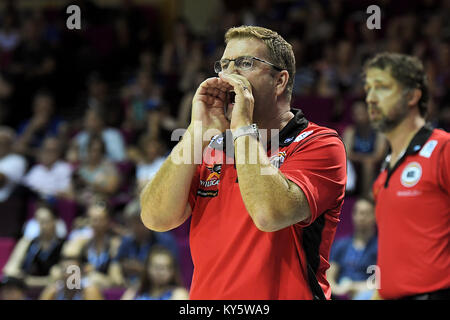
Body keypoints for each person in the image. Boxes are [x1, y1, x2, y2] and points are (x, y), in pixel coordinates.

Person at [140, 26, 347, 299]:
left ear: (279, 81)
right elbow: (155, 217)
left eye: (245, 63)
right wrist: (196, 131)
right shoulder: (210, 147)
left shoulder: (320, 143)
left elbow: (268, 214)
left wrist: (243, 129)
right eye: (224, 65)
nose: (229, 75)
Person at [363, 52, 450, 300]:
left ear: (412, 95)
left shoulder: (443, 149)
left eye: (382, 87)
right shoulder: (386, 167)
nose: (370, 98)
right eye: (368, 89)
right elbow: (395, 251)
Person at [112, 199, 178, 286]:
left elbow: (171, 270)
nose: (136, 227)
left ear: (149, 221)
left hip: (157, 286)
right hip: (130, 285)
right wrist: (119, 281)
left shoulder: (164, 241)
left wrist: (142, 270)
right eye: (132, 223)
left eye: (140, 223)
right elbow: (115, 263)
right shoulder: (127, 240)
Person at [2, 202, 65, 288]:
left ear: (55, 221)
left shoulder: (64, 245)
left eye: (45, 221)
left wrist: (28, 281)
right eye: (38, 221)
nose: (42, 226)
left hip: (51, 291)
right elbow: (9, 269)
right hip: (26, 291)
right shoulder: (26, 242)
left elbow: (59, 277)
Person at [327, 197, 377, 300]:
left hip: (367, 293)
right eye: (357, 212)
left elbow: (381, 283)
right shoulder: (340, 245)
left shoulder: (380, 247)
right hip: (340, 292)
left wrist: (353, 286)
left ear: (375, 216)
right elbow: (329, 278)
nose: (360, 217)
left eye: (365, 213)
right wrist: (339, 289)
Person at [343, 101, 387, 196]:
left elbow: (378, 155)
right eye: (356, 114)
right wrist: (362, 158)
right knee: (341, 161)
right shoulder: (350, 131)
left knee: (368, 165)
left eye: (361, 113)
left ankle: (366, 196)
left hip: (373, 163)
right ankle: (344, 194)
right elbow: (346, 153)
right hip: (355, 163)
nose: (358, 117)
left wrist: (363, 159)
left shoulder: (379, 131)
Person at [121, 245, 188, 300]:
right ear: (147, 269)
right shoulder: (136, 292)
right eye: (156, 267)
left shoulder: (179, 293)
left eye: (163, 268)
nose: (159, 272)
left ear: (172, 271)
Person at [39, 255, 103, 300]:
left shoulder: (90, 291)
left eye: (73, 272)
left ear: (81, 274)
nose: (68, 275)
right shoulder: (53, 291)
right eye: (65, 271)